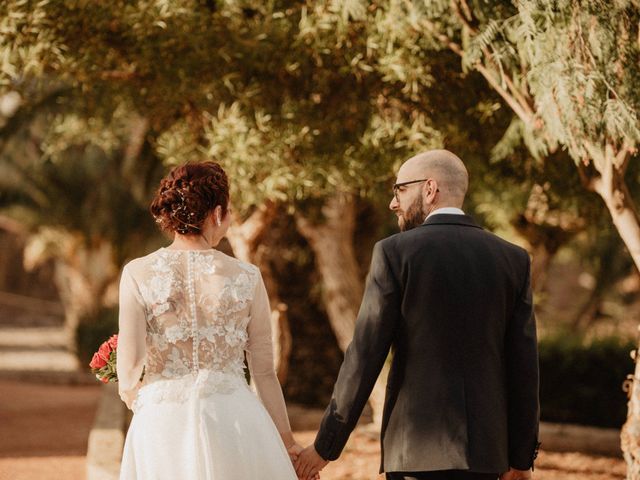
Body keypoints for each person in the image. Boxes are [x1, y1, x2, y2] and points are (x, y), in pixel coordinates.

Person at [295, 150, 540, 480]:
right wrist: (521, 459)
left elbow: (365, 357)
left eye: (399, 190)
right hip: (485, 457)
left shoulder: (394, 253)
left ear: (429, 188)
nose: (393, 203)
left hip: (414, 454)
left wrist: (325, 447)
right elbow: (524, 367)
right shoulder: (513, 259)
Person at [116, 161, 312, 479]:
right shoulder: (247, 277)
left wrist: (141, 399)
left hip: (162, 421)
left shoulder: (138, 273)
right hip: (234, 417)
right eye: (230, 211)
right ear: (217, 213)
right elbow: (263, 372)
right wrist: (287, 442)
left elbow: (130, 365)